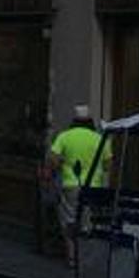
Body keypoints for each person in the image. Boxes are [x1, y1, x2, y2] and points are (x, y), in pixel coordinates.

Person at [48, 105, 112, 256]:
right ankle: (85, 256)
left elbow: (53, 161)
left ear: (74, 121)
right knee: (87, 222)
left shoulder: (64, 136)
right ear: (90, 121)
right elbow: (108, 165)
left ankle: (72, 255)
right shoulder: (100, 139)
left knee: (70, 220)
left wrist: (64, 163)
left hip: (71, 185)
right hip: (94, 187)